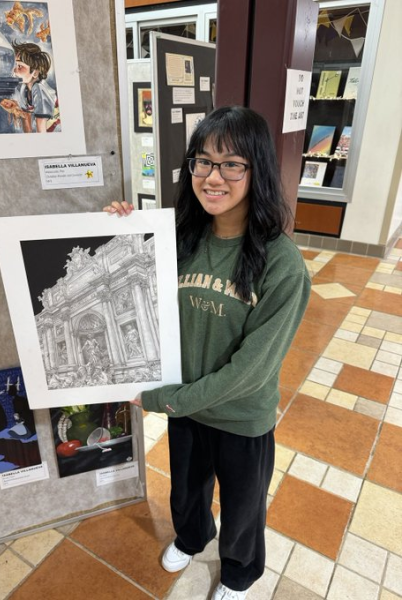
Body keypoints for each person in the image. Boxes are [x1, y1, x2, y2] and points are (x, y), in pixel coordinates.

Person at [104, 106, 311, 600]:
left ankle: (238, 575)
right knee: (186, 490)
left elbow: (251, 371)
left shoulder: (282, 265)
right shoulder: (180, 238)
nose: (213, 177)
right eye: (203, 161)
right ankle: (193, 537)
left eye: (231, 164)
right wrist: (121, 230)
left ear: (255, 169)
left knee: (243, 507)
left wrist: (164, 399)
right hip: (188, 405)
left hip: (240, 416)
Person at [11, 41, 58, 133]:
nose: (14, 70)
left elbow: (41, 127)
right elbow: (26, 118)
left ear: (35, 73)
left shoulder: (40, 89)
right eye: (15, 65)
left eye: (20, 66)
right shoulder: (23, 88)